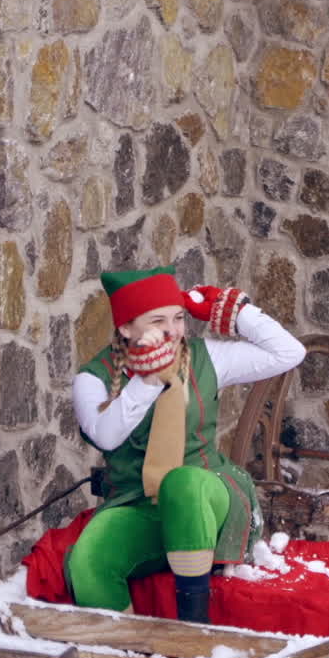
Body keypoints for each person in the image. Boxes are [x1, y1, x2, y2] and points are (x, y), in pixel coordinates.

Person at [68, 266, 305, 623]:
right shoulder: (93, 378)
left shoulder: (206, 356)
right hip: (140, 504)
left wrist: (235, 312)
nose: (173, 330)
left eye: (178, 318)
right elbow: (106, 435)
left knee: (181, 482)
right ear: (126, 328)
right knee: (89, 559)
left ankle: (194, 628)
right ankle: (129, 651)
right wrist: (148, 380)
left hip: (207, 496)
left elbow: (289, 352)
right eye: (158, 320)